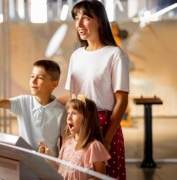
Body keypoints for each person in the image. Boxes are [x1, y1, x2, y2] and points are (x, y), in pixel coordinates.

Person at [57, 1, 130, 179]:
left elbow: (121, 101)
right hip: (78, 125)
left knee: (104, 176)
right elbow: (75, 97)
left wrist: (106, 138)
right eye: (76, 18)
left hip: (104, 125)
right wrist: (44, 101)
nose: (79, 24)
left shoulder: (115, 55)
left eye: (86, 18)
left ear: (100, 21)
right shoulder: (77, 56)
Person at [38, 95, 111, 180]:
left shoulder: (94, 147)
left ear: (87, 118)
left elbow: (100, 177)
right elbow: (60, 170)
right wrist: (48, 158)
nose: (68, 117)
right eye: (68, 113)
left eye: (74, 113)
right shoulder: (67, 143)